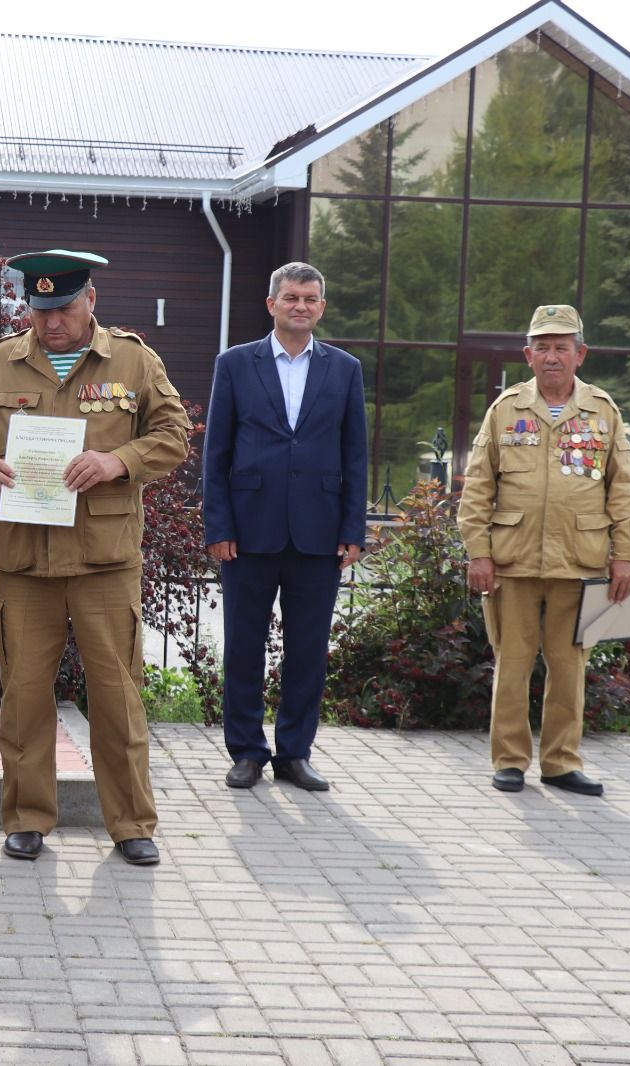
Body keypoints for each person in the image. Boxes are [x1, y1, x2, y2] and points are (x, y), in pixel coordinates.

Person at [0, 249, 189, 866]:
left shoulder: (133, 360)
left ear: (90, 302)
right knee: (25, 695)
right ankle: (27, 818)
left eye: (61, 309)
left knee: (116, 696)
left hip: (104, 561)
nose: (50, 322)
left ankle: (132, 824)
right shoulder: (0, 361)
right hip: (25, 559)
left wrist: (118, 462)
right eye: (39, 309)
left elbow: (173, 434)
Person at [457, 304, 630, 796]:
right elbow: (477, 487)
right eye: (542, 347)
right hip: (513, 562)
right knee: (512, 664)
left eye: (562, 347)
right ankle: (510, 761)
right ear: (528, 355)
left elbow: (623, 489)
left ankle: (561, 762)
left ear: (580, 354)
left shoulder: (603, 411)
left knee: (568, 668)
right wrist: (479, 552)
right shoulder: (505, 410)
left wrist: (624, 554)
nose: (552, 356)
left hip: (579, 562)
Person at [201, 263, 367, 792]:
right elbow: (217, 453)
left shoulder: (344, 369)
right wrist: (218, 525)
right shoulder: (234, 365)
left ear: (321, 307)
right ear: (271, 304)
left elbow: (355, 455)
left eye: (311, 299)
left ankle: (295, 753)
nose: (301, 306)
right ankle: (247, 752)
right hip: (248, 534)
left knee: (308, 650)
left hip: (318, 535)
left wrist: (353, 529)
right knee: (244, 646)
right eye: (291, 297)